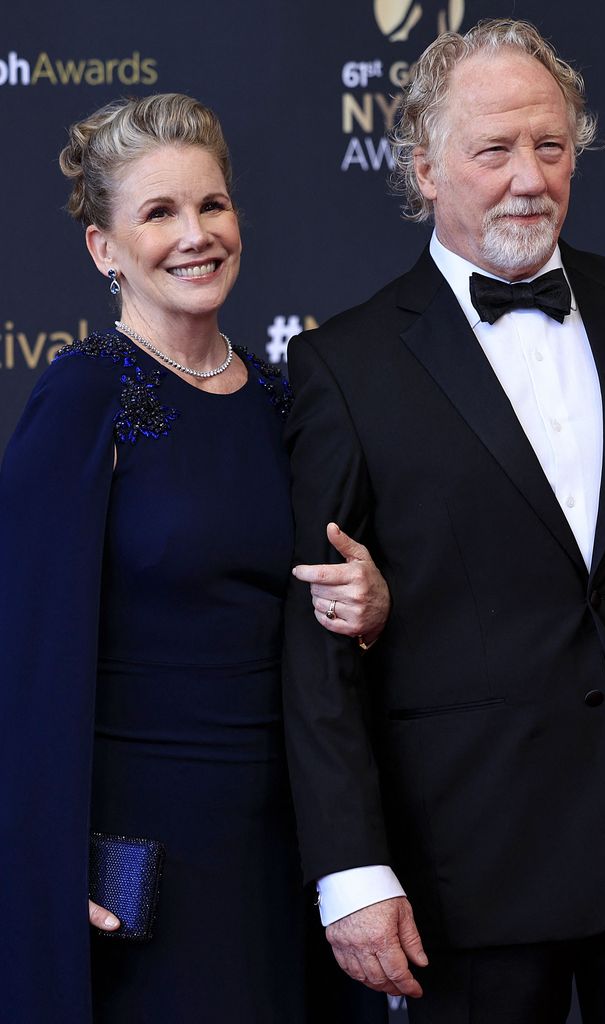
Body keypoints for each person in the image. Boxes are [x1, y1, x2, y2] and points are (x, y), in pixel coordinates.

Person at [282, 18, 605, 1023]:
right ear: (423, 169)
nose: (528, 177)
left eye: (549, 145)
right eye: (493, 150)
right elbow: (317, 651)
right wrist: (352, 866)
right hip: (467, 848)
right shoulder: (345, 367)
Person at [0, 93, 391, 1024]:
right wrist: (40, 871)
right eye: (159, 212)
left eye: (211, 205)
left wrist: (372, 604)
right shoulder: (83, 400)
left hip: (290, 840)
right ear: (105, 249)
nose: (195, 235)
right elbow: (17, 656)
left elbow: (322, 610)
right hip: (144, 860)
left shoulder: (286, 400)